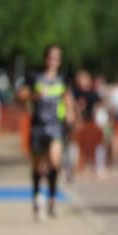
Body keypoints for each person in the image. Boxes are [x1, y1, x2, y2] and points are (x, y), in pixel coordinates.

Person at [19, 44, 75, 221]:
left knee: (54, 160)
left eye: (56, 58)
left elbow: (67, 98)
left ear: (60, 61)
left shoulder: (63, 78)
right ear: (45, 59)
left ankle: (52, 201)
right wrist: (33, 96)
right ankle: (37, 200)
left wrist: (70, 112)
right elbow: (21, 96)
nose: (53, 61)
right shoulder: (34, 76)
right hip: (37, 126)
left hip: (55, 126)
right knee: (37, 166)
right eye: (50, 58)